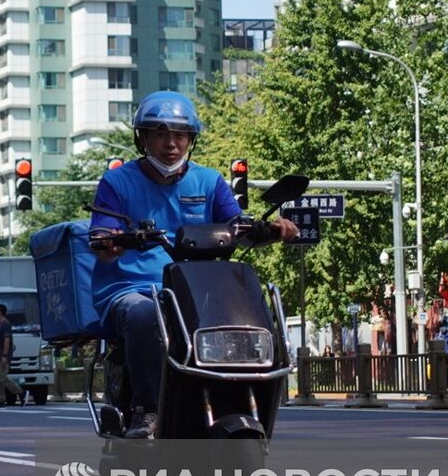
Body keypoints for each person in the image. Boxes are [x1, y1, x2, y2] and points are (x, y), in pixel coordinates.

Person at [88, 91, 298, 439]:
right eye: (160, 133)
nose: (171, 143)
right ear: (142, 138)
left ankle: (247, 402)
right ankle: (147, 411)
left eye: (180, 135)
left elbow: (237, 227)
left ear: (191, 140)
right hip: (134, 289)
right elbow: (101, 239)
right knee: (143, 314)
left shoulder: (210, 181)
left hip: (197, 289)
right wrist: (110, 242)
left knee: (249, 309)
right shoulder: (116, 182)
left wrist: (273, 231)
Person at [0, 303, 23, 408]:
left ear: (0, 312)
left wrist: (4, 355)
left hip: (2, 356)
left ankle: (21, 392)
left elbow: (7, 340)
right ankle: (0, 400)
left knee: (2, 377)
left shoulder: (5, 324)